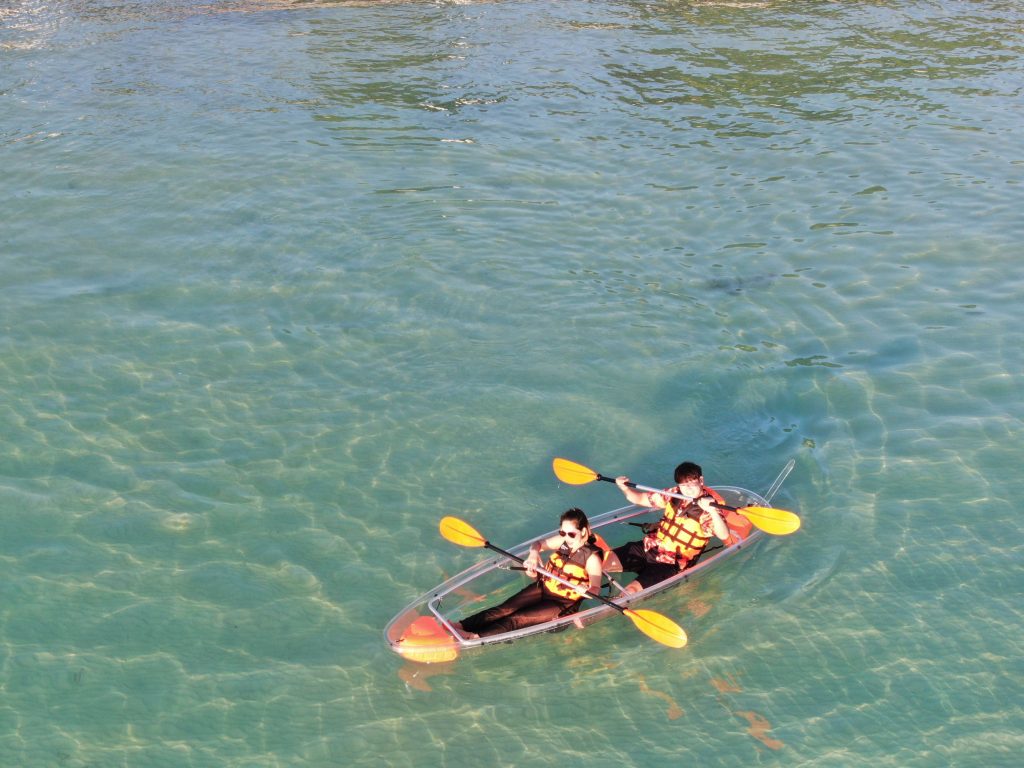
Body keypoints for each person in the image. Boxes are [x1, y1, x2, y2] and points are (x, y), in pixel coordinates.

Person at [455, 508, 604, 638]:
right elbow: (537, 544)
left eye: (571, 534)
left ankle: (474, 637)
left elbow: (595, 589)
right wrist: (533, 555)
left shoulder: (591, 558)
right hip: (543, 587)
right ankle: (461, 626)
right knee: (505, 608)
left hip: (562, 603)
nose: (566, 537)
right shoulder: (564, 541)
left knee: (516, 619)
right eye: (562, 532)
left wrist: (586, 590)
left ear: (583, 531)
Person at [604, 461, 729, 595]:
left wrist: (713, 511)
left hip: (671, 564)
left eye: (691, 483)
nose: (687, 488)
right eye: (683, 485)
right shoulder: (674, 494)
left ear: (701, 480)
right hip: (650, 547)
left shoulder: (708, 508)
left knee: (630, 591)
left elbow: (724, 535)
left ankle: (605, 610)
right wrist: (625, 488)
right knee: (603, 560)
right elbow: (639, 499)